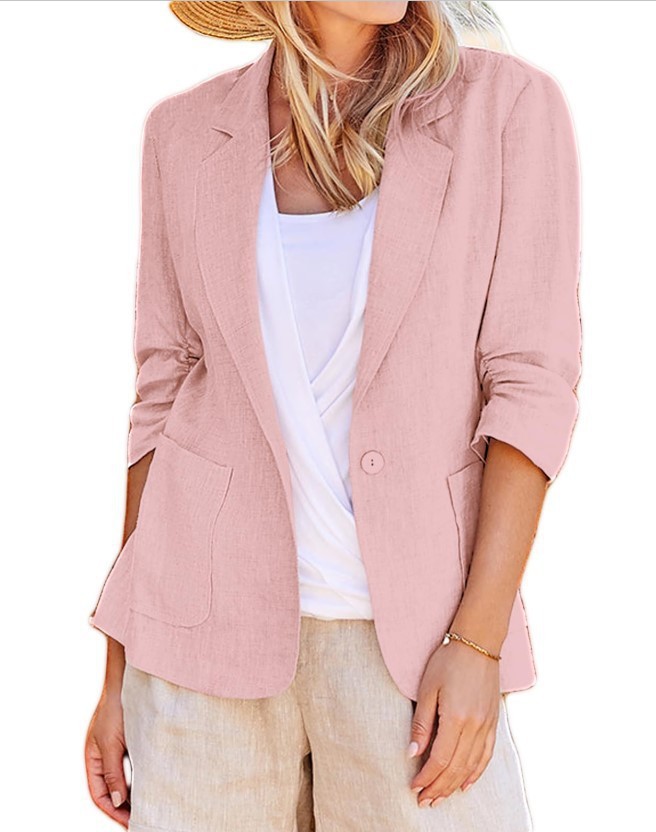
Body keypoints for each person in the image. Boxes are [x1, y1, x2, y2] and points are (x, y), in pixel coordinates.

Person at [84, 2, 582, 830]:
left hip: (413, 645)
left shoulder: (504, 108)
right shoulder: (185, 132)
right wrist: (118, 670)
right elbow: (162, 394)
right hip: (201, 648)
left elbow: (532, 383)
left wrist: (478, 643)